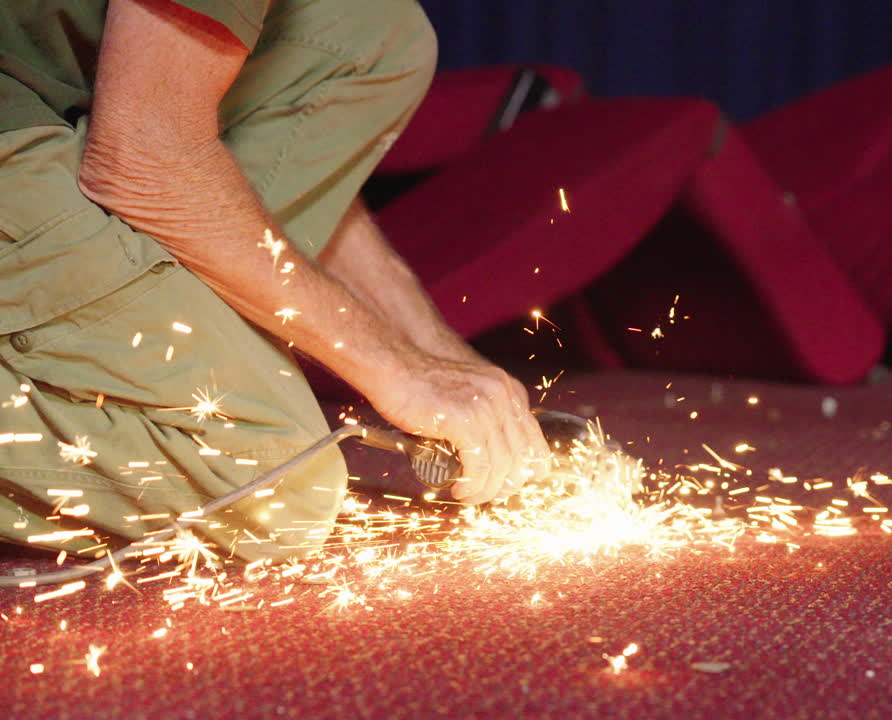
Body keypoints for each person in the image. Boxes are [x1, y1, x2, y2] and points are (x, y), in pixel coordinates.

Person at [0, 0, 549, 563]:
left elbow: (180, 123)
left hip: (51, 108)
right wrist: (399, 371)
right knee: (275, 488)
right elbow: (141, 156)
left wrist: (436, 355)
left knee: (373, 30)